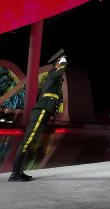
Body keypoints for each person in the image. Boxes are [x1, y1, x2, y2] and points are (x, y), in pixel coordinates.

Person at [10, 49, 67, 181]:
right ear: (57, 62)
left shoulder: (54, 79)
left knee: (31, 141)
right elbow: (61, 71)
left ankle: (19, 171)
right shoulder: (53, 73)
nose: (64, 61)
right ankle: (15, 173)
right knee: (27, 141)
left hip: (44, 110)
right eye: (62, 60)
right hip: (42, 110)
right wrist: (63, 63)